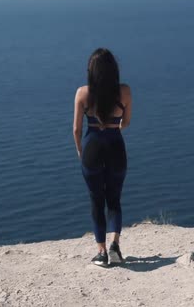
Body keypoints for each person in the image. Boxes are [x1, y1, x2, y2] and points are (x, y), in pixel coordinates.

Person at [73, 48, 132, 267]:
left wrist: (81, 151)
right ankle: (116, 244)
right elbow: (125, 123)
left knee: (96, 200)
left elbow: (76, 130)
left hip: (92, 148)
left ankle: (101, 252)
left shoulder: (82, 93)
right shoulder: (124, 91)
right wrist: (113, 126)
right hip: (116, 145)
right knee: (114, 198)